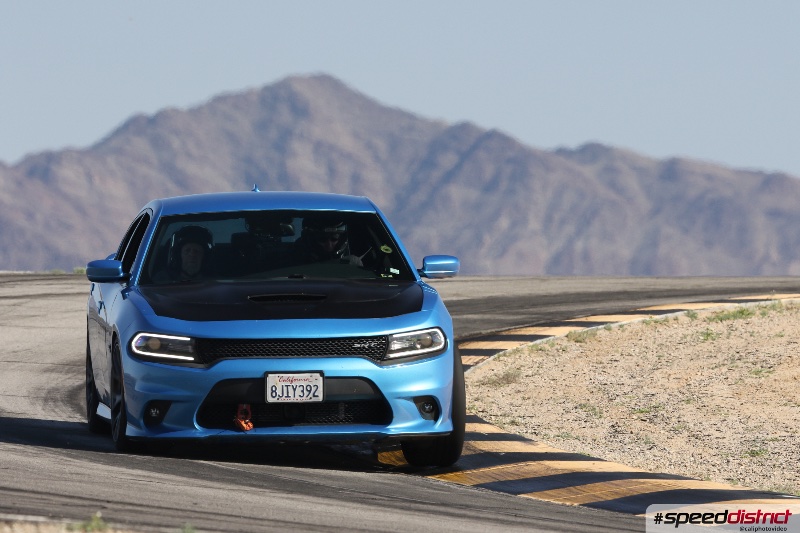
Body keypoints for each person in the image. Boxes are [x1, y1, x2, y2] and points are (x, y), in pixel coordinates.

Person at [294, 217, 363, 266]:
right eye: (322, 239)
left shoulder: (352, 263)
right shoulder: (295, 260)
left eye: (334, 239)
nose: (329, 245)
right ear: (312, 241)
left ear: (341, 240)